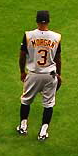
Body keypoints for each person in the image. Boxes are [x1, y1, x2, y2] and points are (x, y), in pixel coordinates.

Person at [16, 10, 62, 141]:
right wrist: (59, 74)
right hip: (50, 75)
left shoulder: (28, 35)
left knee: (26, 100)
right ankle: (43, 131)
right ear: (48, 21)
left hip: (33, 74)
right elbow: (58, 58)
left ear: (36, 21)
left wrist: (22, 72)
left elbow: (22, 56)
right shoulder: (56, 37)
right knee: (48, 104)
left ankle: (23, 126)